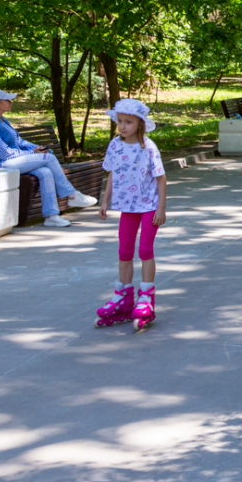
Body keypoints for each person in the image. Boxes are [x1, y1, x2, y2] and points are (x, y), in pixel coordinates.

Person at [0, 90, 98, 227]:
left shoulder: (3, 120)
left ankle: (51, 216)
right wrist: (31, 153)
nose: (11, 102)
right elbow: (2, 153)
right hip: (1, 165)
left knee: (46, 172)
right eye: (7, 100)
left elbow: (20, 142)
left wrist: (37, 148)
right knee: (49, 158)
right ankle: (72, 195)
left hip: (11, 161)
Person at [95, 99, 167, 330]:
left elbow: (161, 177)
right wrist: (105, 201)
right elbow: (112, 175)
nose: (123, 126)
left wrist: (161, 207)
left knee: (145, 249)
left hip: (148, 206)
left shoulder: (149, 147)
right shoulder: (115, 145)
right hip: (127, 206)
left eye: (128, 122)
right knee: (124, 251)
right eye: (120, 122)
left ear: (140, 123)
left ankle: (146, 297)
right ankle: (123, 297)